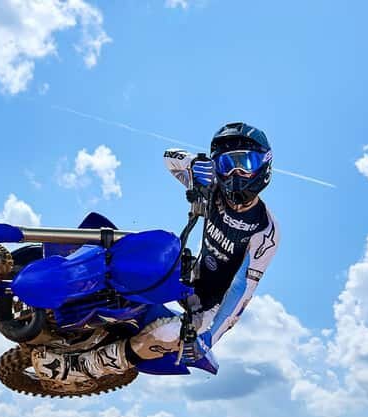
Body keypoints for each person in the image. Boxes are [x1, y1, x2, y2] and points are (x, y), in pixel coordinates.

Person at [33, 122, 280, 384]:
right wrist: (194, 163)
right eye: (226, 164)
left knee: (170, 334)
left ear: (264, 164)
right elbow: (169, 158)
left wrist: (209, 338)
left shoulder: (265, 230)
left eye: (245, 163)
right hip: (186, 278)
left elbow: (242, 289)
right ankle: (79, 284)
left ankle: (85, 366)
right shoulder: (211, 188)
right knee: (136, 254)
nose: (235, 173)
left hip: (209, 309)